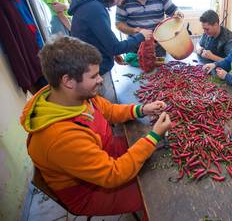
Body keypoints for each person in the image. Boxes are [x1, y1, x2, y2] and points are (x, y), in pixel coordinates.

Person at [20, 36, 171, 216]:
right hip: (89, 191)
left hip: (105, 152)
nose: (100, 80)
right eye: (93, 76)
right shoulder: (59, 138)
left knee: (162, 153)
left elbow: (109, 110)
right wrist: (153, 136)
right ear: (68, 81)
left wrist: (142, 109)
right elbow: (113, 174)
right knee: (157, 193)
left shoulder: (74, 97)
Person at [68, 0, 151, 102]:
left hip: (89, 67)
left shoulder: (88, 3)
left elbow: (96, 39)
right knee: (107, 106)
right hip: (93, 71)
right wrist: (140, 36)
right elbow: (114, 46)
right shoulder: (94, 8)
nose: (119, 3)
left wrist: (112, 54)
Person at [115, 0, 183, 57]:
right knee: (135, 72)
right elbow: (119, 24)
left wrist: (178, 13)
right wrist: (136, 30)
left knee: (160, 71)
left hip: (158, 47)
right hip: (134, 47)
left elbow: (174, 11)